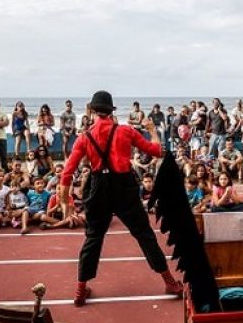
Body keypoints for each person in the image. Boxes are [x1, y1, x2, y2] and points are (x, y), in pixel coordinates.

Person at [58, 91, 182, 306]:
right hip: (124, 186)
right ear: (111, 110)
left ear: (92, 111)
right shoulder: (126, 131)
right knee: (144, 234)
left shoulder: (84, 137)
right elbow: (157, 151)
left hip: (98, 186)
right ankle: (169, 281)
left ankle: (80, 289)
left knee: (93, 238)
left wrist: (64, 198)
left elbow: (67, 171)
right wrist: (153, 131)